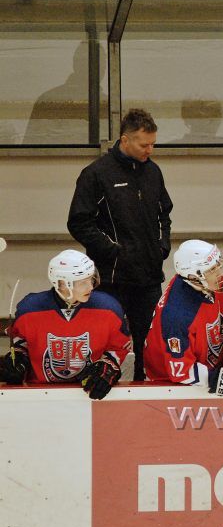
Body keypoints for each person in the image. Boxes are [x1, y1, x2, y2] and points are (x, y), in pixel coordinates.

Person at [67, 108, 173, 381]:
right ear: (125, 140)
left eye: (153, 144)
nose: (150, 149)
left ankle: (144, 390)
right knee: (108, 341)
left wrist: (163, 246)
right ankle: (100, 389)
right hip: (111, 280)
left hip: (149, 277)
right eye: (144, 144)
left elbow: (164, 213)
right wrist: (114, 251)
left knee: (148, 341)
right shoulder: (96, 174)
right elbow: (79, 222)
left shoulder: (154, 172)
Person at [144, 240, 223, 400]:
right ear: (193, 275)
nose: (220, 273)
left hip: (203, 368)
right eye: (212, 269)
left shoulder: (206, 285)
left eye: (218, 265)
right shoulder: (178, 315)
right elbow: (181, 372)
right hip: (169, 388)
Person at [0, 250, 130, 400]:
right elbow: (21, 343)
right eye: (83, 282)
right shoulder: (29, 309)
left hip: (88, 394)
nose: (90, 287)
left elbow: (119, 346)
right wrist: (18, 361)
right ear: (61, 283)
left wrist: (109, 365)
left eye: (91, 279)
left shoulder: (108, 307)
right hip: (39, 395)